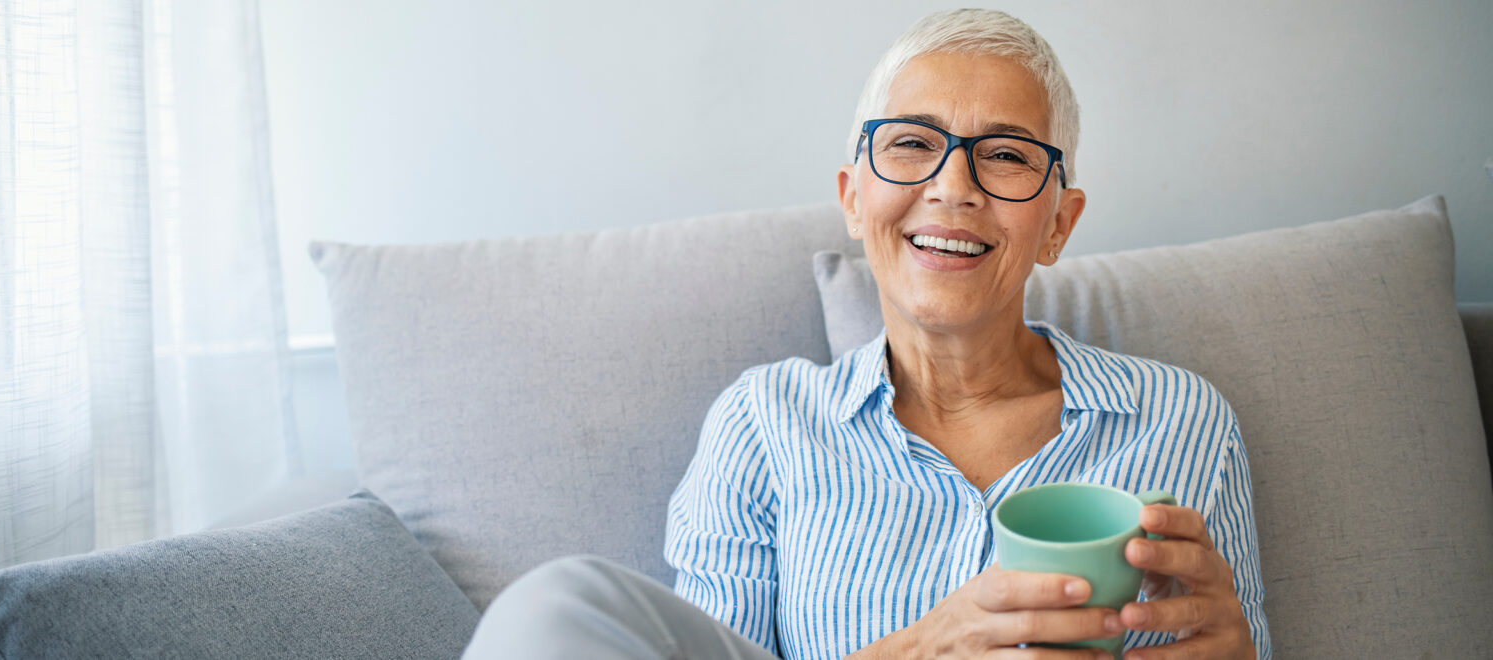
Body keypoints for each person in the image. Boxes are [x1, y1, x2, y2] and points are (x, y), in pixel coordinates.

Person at [462, 8, 1268, 660]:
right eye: (913, 144)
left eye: (1008, 155)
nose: (953, 187)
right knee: (555, 606)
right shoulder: (766, 424)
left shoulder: (1184, 422)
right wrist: (927, 649)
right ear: (854, 198)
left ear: (1059, 223)